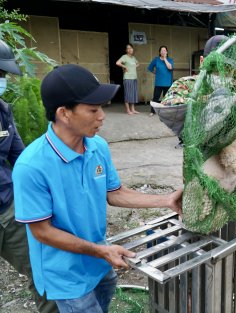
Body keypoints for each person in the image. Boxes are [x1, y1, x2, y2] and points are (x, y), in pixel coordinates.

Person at [12, 64, 182, 313]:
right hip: (67, 276)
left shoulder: (97, 146)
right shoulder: (31, 166)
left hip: (101, 263)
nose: (102, 116)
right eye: (93, 109)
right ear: (64, 113)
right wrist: (101, 251)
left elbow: (115, 193)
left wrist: (167, 200)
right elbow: (42, 232)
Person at [0, 40, 59, 313]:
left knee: (43, 273)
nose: (2, 81)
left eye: (3, 76)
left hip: (7, 211)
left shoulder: (3, 111)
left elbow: (20, 156)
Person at [147, 45, 174, 116]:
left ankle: (166, 112)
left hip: (167, 83)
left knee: (167, 99)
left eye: (164, 50)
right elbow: (150, 68)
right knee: (155, 98)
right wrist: (155, 72)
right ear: (159, 52)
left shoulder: (170, 60)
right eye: (161, 50)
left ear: (167, 52)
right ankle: (152, 111)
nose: (163, 52)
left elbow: (170, 68)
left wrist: (165, 59)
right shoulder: (156, 60)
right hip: (158, 83)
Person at [116, 43, 139, 115]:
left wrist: (134, 67)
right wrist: (124, 67)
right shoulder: (124, 57)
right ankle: (128, 110)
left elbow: (138, 63)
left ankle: (133, 109)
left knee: (133, 94)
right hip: (127, 78)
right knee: (128, 94)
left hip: (134, 78)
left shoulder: (133, 58)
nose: (130, 49)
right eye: (128, 48)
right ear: (126, 50)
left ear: (133, 49)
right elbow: (117, 63)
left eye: (131, 48)